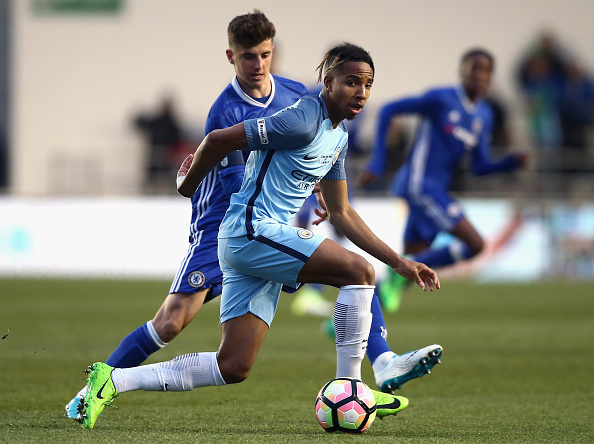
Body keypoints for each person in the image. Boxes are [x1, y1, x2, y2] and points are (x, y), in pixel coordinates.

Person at [77, 42, 440, 429]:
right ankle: (352, 386)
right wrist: (187, 186)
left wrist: (400, 262)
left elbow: (342, 213)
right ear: (328, 82)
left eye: (367, 84)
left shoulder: (339, 136)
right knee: (359, 272)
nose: (361, 92)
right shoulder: (301, 119)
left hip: (259, 240)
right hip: (251, 231)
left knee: (233, 365)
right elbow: (218, 140)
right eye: (351, 82)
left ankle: (113, 379)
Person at [361, 48, 529, 312]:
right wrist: (378, 161)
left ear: (490, 77)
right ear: (462, 71)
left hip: (435, 189)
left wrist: (510, 162)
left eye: (484, 70)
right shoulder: (440, 99)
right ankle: (392, 275)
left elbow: (479, 166)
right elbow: (388, 110)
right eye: (473, 67)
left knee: (410, 266)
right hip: (419, 184)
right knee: (475, 244)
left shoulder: (483, 115)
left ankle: (345, 322)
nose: (478, 74)